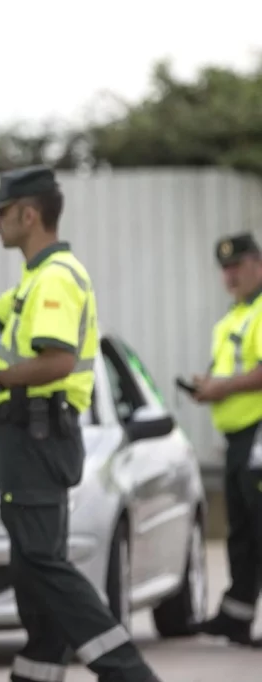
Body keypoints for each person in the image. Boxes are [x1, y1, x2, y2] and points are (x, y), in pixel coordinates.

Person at [0, 165, 161, 682]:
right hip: (32, 436)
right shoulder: (35, 279)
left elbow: (57, 361)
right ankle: (37, 672)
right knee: (31, 568)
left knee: (42, 563)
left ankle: (128, 671)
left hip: (38, 433)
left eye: (3, 214)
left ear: (30, 213)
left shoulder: (55, 280)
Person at [187, 233, 262, 647]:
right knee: (242, 531)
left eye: (238, 266)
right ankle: (237, 616)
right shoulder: (233, 318)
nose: (230, 275)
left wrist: (222, 388)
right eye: (225, 269)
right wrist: (209, 387)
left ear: (258, 263)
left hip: (258, 436)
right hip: (238, 439)